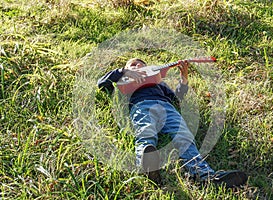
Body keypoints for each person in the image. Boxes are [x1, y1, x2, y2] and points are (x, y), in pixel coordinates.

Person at [97, 58, 247, 188]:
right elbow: (102, 83)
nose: (137, 67)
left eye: (141, 65)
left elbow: (177, 98)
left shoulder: (159, 84)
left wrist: (184, 79)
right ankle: (147, 165)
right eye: (133, 65)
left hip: (168, 109)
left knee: (184, 136)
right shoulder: (126, 84)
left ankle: (205, 175)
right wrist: (123, 71)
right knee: (146, 132)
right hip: (142, 106)